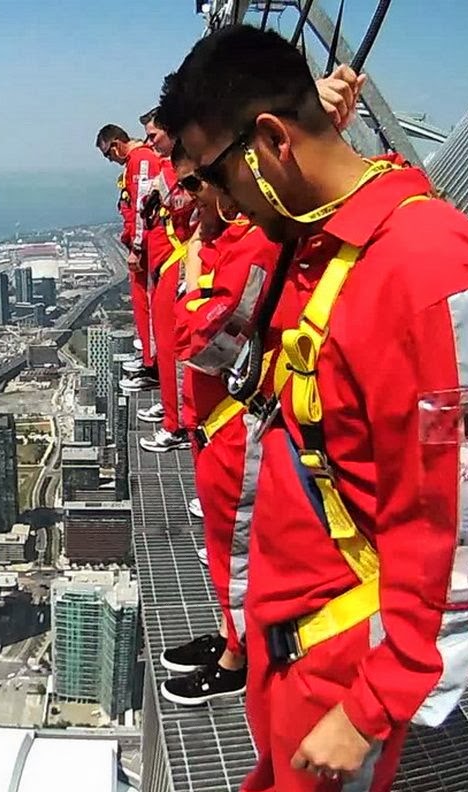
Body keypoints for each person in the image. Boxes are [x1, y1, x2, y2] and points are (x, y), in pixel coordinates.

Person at [161, 25, 468, 792]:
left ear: (271, 142)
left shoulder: (435, 279)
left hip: (343, 644)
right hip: (291, 624)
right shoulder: (318, 244)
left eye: (215, 175)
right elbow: (234, 327)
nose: (215, 201)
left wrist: (372, 707)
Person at [156, 69, 365, 706]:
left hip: (237, 422)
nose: (195, 195)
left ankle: (238, 654)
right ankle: (232, 635)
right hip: (219, 422)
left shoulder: (253, 242)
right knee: (226, 547)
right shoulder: (234, 236)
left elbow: (206, 342)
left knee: (240, 548)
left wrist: (195, 271)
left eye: (202, 180)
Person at [135, 108, 195, 453]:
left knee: (174, 346)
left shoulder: (183, 169)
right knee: (167, 344)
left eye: (154, 135)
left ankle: (179, 423)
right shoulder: (169, 168)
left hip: (178, 263)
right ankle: (175, 414)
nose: (149, 143)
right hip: (168, 262)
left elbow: (183, 207)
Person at [96, 124, 163, 390]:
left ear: (115, 145)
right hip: (146, 246)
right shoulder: (137, 161)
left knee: (148, 304)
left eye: (107, 154)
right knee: (142, 304)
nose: (110, 160)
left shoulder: (140, 160)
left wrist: (136, 247)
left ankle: (153, 363)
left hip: (148, 249)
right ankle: (149, 357)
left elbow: (140, 209)